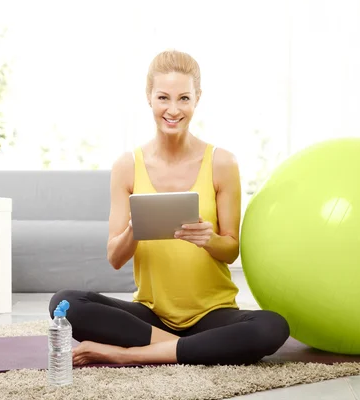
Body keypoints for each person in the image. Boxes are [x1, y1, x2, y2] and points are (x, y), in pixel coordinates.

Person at [49, 49, 290, 366]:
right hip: (151, 316)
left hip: (213, 314)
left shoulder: (222, 163)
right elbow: (115, 257)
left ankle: (132, 355)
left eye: (184, 99)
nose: (173, 110)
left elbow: (231, 250)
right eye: (163, 98)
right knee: (65, 303)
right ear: (148, 97)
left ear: (197, 98)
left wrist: (209, 239)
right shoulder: (127, 166)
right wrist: (136, 229)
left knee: (272, 327)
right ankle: (196, 348)